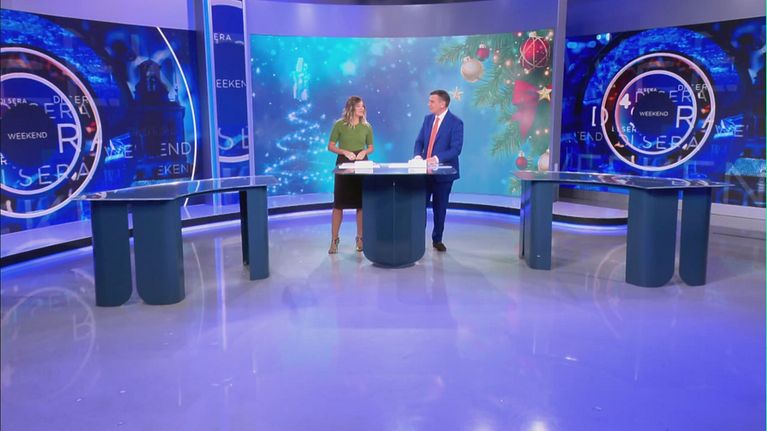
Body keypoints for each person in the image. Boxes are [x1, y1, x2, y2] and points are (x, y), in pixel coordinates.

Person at [412, 89, 463, 252]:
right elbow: (419, 141)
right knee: (420, 207)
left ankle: (437, 239)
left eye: (432, 101)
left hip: (443, 175)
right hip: (424, 173)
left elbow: (456, 149)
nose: (429, 104)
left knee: (439, 208)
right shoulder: (428, 119)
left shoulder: (456, 122)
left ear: (443, 104)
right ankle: (418, 239)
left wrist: (436, 158)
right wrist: (417, 156)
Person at [327, 96, 374, 254]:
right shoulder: (339, 125)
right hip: (343, 164)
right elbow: (330, 146)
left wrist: (364, 152)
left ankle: (360, 238)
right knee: (338, 204)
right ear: (351, 108)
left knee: (361, 204)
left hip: (361, 164)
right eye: (359, 106)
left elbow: (371, 147)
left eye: (363, 106)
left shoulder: (367, 126)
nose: (362, 109)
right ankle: (334, 240)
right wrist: (344, 151)